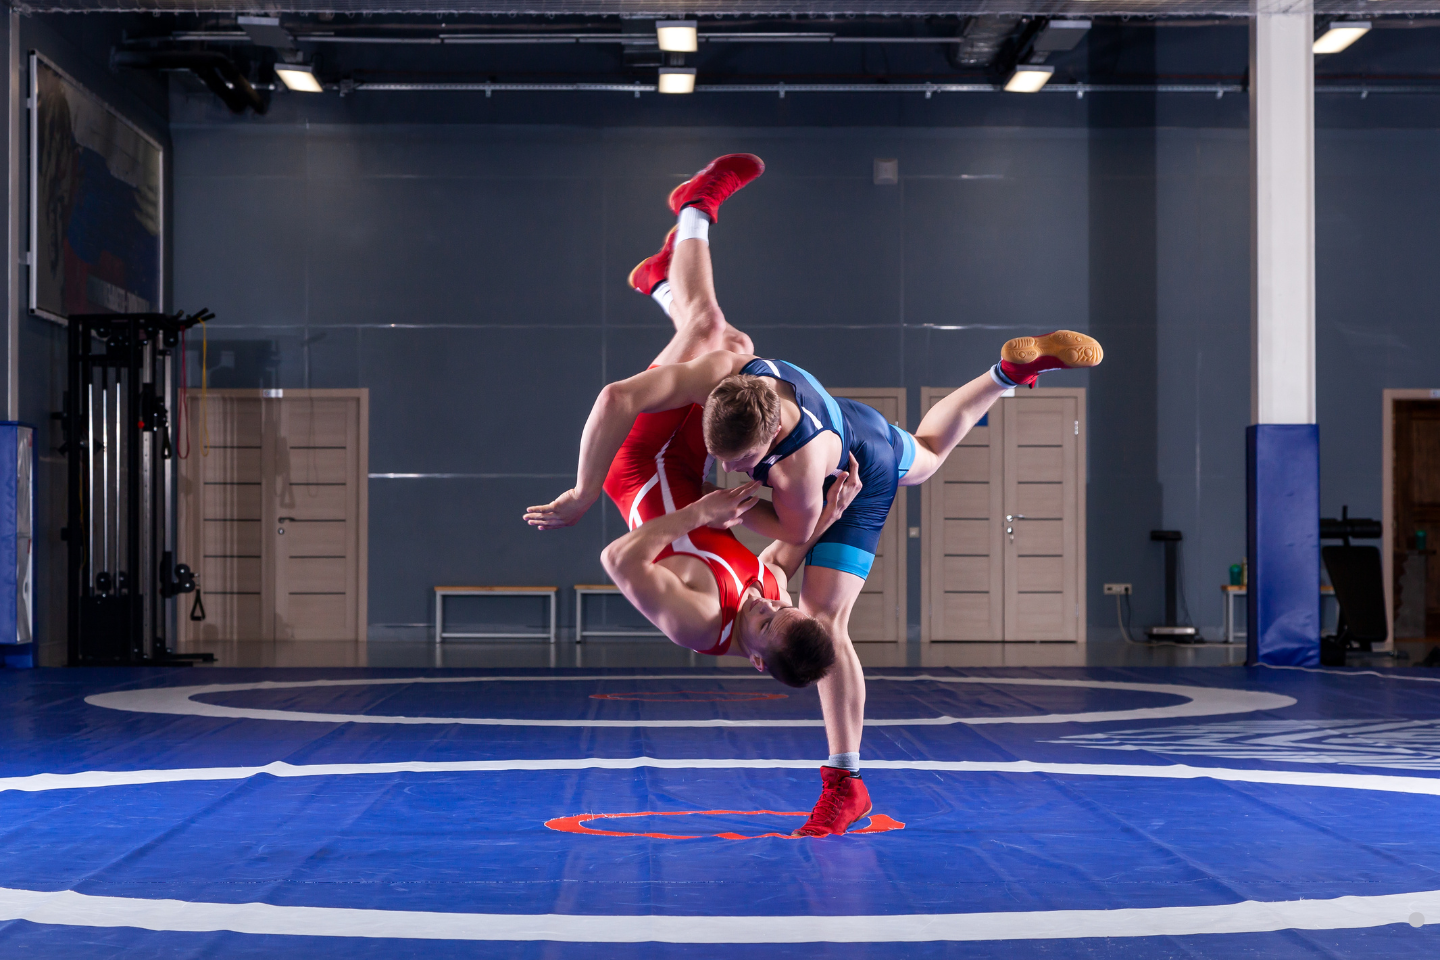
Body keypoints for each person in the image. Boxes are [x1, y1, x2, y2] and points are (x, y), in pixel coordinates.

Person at [526, 153, 1104, 837]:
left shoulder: (703, 613)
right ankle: (674, 265)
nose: (775, 600)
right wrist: (799, 518)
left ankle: (687, 231)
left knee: (725, 338)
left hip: (669, 461)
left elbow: (622, 558)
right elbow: (777, 558)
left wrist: (605, 495)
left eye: (772, 615)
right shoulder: (743, 418)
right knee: (730, 342)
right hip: (819, 446)